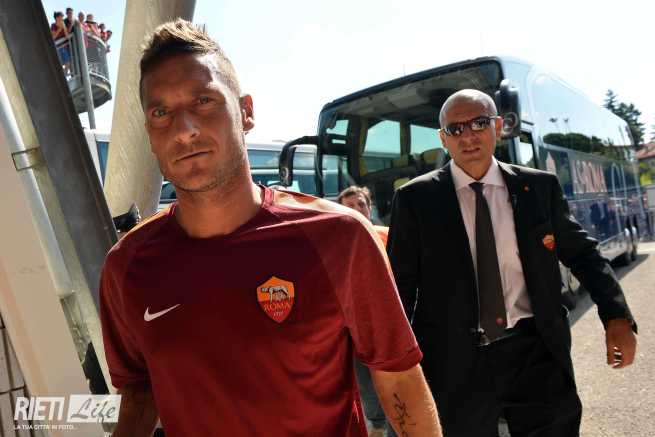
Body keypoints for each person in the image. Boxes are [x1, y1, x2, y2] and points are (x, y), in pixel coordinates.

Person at [100, 19, 441, 437]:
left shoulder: (339, 237)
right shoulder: (126, 267)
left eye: (204, 101)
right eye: (161, 113)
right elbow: (138, 392)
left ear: (246, 112)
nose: (184, 130)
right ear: (149, 134)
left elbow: (399, 380)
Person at [387, 89, 637, 437]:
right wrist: (395, 363)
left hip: (535, 352)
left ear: (498, 126)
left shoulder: (539, 188)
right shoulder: (414, 199)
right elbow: (399, 287)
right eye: (456, 129)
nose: (468, 136)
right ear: (443, 139)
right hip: (455, 364)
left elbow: (584, 255)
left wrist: (616, 316)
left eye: (479, 123)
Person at [337, 186, 392, 437]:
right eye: (350, 206)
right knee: (367, 386)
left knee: (396, 381)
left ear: (370, 208)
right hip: (354, 328)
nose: (358, 209)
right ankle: (377, 426)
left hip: (390, 324)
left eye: (361, 204)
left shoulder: (389, 235)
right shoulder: (332, 244)